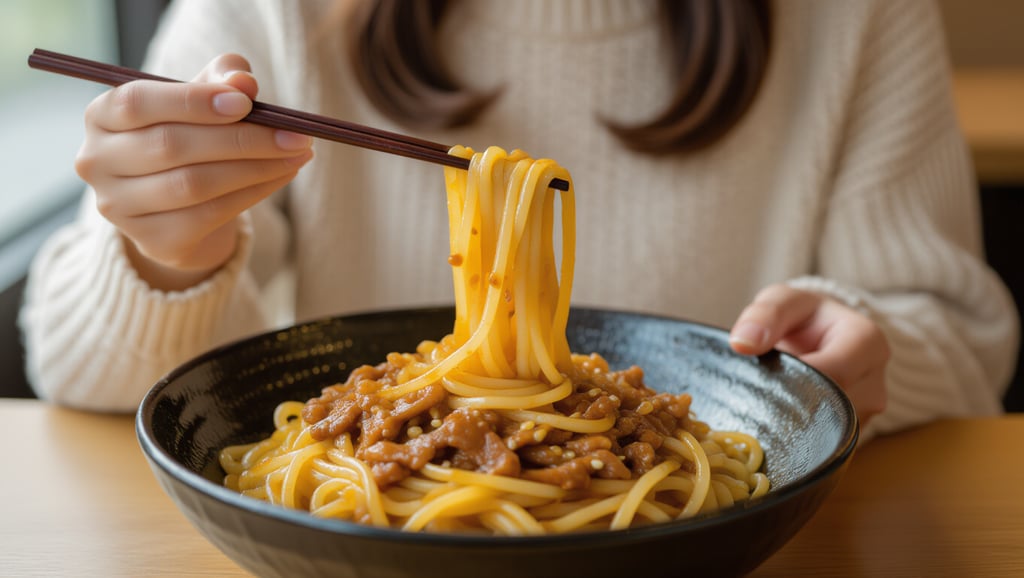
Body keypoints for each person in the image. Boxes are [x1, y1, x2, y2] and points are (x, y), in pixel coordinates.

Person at [20, 0, 1017, 441]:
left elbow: (962, 343)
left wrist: (852, 359)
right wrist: (164, 250)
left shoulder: (854, 14)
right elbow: (72, 362)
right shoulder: (277, 9)